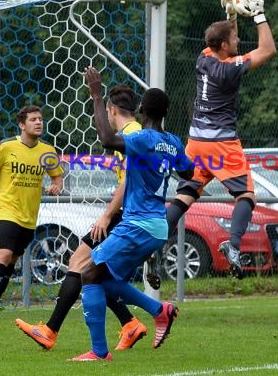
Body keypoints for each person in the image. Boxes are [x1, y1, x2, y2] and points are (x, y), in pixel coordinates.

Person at [66, 66, 193, 362]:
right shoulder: (172, 142)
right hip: (157, 225)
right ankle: (159, 311)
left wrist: (96, 94)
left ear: (142, 110)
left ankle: (99, 352)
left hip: (137, 224)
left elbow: (108, 141)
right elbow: (188, 171)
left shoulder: (144, 138)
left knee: (88, 273)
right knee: (104, 279)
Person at [15, 85, 149, 351]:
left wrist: (107, 215)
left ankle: (50, 331)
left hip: (126, 214)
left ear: (112, 110)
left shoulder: (131, 135)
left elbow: (131, 180)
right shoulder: (135, 133)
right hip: (129, 213)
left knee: (80, 263)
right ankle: (130, 324)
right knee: (93, 272)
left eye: (106, 112)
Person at [165, 0, 276, 279]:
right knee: (246, 196)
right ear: (225, 46)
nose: (239, 40)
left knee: (185, 196)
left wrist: (230, 16)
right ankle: (235, 245)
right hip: (221, 144)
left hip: (195, 143)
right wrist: (258, 14)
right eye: (235, 39)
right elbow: (268, 50)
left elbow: (226, 39)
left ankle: (153, 245)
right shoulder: (228, 70)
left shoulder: (204, 57)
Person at [0, 105, 64, 311]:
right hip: (8, 210)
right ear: (22, 125)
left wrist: (56, 187)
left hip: (29, 216)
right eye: (33, 119)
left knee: (12, 259)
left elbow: (57, 178)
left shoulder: (48, 151)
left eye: (40, 119)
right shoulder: (5, 147)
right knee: (3, 254)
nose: (39, 122)